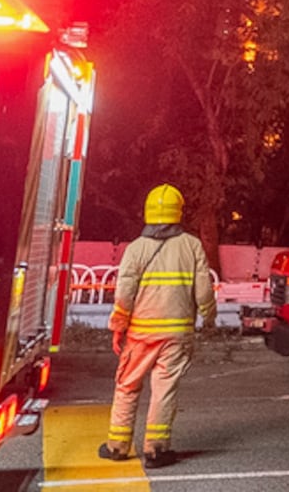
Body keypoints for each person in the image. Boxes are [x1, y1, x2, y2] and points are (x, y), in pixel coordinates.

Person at [99, 184, 217, 469]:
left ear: (148, 212)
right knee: (164, 389)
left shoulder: (136, 249)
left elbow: (124, 293)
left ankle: (117, 445)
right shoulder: (192, 246)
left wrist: (118, 327)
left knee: (127, 386)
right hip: (177, 335)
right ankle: (156, 450)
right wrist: (209, 317)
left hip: (140, 334)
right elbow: (204, 291)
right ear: (178, 212)